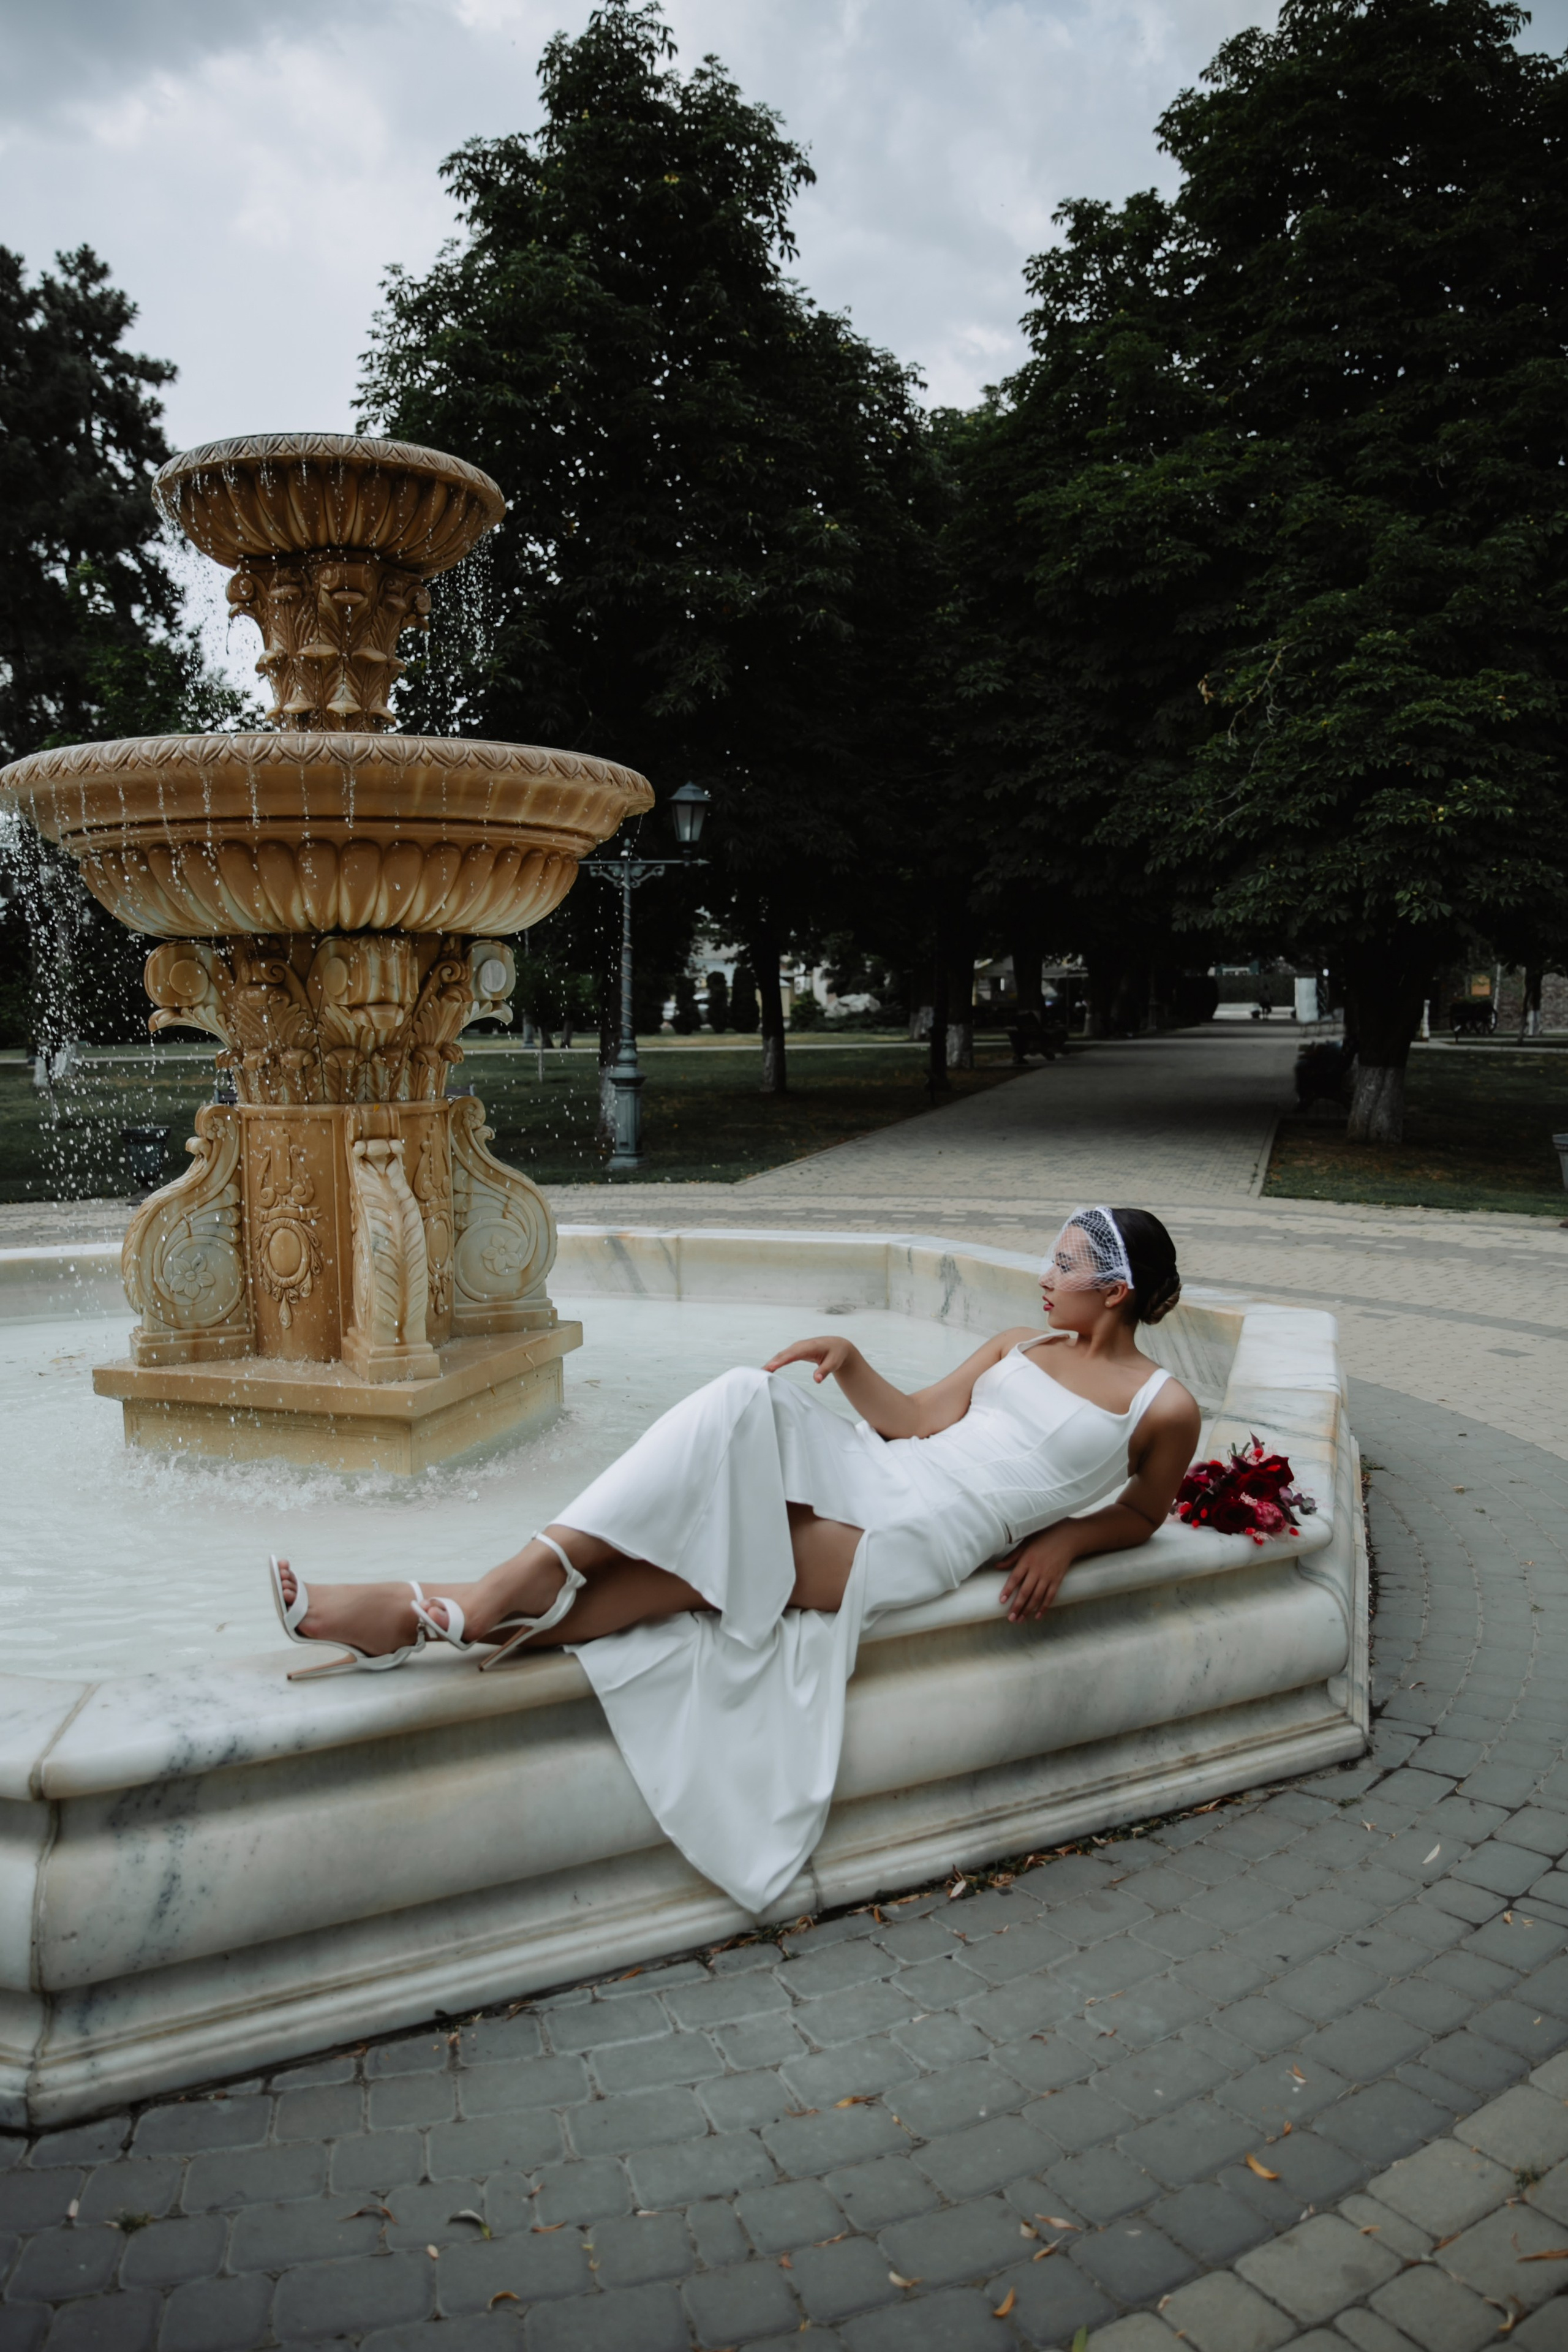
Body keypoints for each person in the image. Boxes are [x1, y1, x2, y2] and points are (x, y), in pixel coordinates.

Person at [271, 1206, 1200, 1913]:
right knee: (737, 1397)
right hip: (881, 1470)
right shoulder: (1019, 1344)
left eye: (1065, 1265)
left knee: (679, 1575)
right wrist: (851, 1358)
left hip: (926, 1534)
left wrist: (1067, 1537)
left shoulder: (1163, 1406)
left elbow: (1142, 1513)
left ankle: (430, 1611)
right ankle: (489, 1592)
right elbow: (914, 1420)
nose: (1045, 1277)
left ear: (1115, 1289)